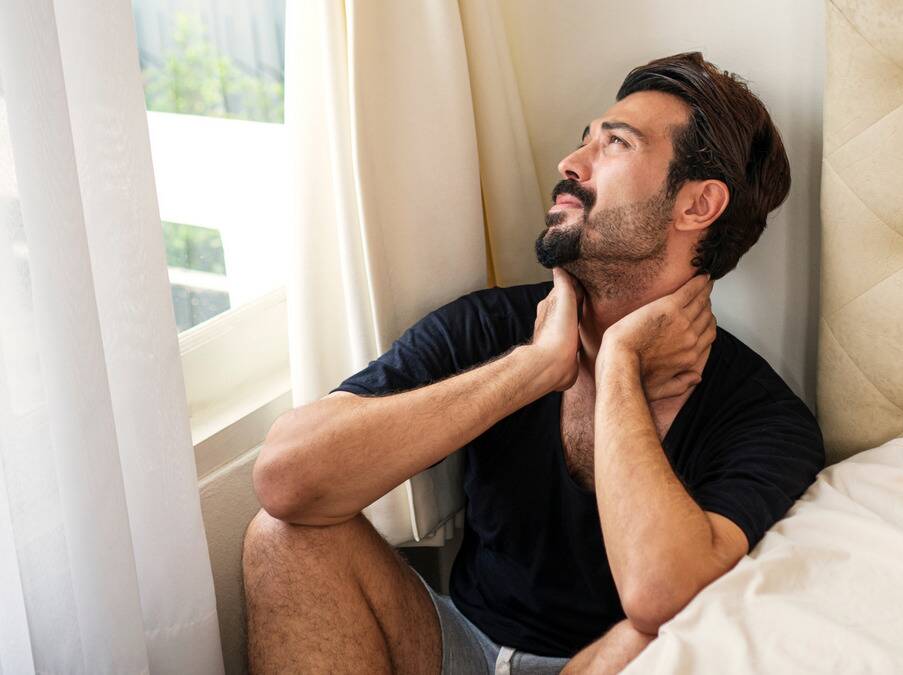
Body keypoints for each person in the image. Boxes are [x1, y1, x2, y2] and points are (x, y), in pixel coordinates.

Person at [242, 51, 824, 674]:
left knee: (649, 636)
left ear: (697, 205)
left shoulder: (763, 419)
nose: (570, 165)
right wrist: (532, 369)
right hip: (458, 642)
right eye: (583, 142)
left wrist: (620, 363)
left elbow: (659, 597)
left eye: (616, 144)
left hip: (607, 664)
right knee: (283, 537)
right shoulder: (495, 328)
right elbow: (284, 478)